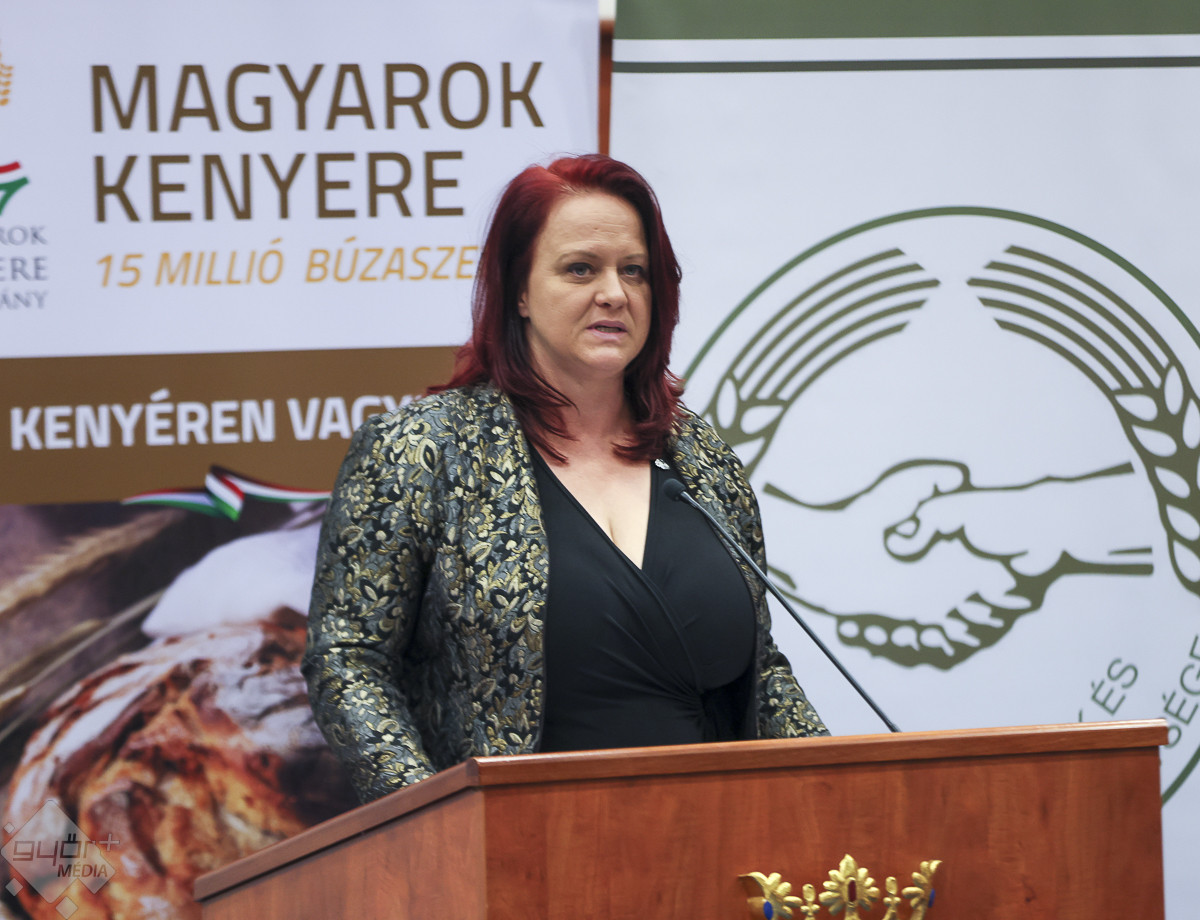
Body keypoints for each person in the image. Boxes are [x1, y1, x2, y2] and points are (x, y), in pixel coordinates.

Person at [303, 154, 828, 803]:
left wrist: (839, 790)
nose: (614, 293)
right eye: (581, 268)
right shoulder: (421, 452)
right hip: (517, 845)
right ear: (518, 291)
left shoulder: (701, 460)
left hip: (720, 836)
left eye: (634, 271)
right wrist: (436, 822)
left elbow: (760, 672)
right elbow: (348, 662)